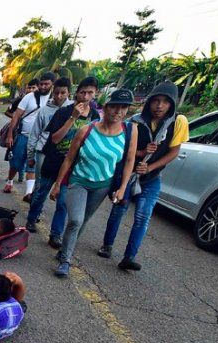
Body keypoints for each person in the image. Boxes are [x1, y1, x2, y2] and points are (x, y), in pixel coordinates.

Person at [99, 82, 189, 271]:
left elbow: (173, 152)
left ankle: (129, 257)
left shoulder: (178, 122)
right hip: (128, 174)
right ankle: (107, 245)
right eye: (156, 101)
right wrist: (141, 153)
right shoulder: (135, 121)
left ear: (172, 104)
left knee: (143, 216)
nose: (159, 106)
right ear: (149, 102)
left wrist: (149, 168)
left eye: (165, 102)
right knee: (118, 210)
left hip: (152, 177)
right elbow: (124, 149)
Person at [51, 88, 137, 278]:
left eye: (124, 108)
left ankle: (65, 249)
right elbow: (69, 158)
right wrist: (57, 185)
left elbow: (130, 160)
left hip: (102, 185)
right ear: (105, 107)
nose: (118, 112)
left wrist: (123, 188)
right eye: (114, 107)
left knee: (83, 221)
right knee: (75, 220)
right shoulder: (86, 130)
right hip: (78, 180)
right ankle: (65, 260)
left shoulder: (130, 131)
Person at [27, 77, 100, 246]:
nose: (86, 97)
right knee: (41, 193)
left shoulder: (95, 117)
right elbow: (55, 139)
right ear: (77, 93)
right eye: (83, 92)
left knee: (63, 202)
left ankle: (55, 234)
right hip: (54, 160)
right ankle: (31, 219)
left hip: (73, 166)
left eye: (90, 93)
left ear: (95, 94)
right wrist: (73, 118)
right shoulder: (63, 112)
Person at [24, 77, 72, 227]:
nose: (59, 96)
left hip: (66, 156)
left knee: (64, 195)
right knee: (41, 187)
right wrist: (30, 156)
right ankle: (33, 217)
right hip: (44, 153)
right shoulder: (45, 110)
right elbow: (34, 134)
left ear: (68, 93)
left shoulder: (74, 110)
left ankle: (56, 232)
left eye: (63, 93)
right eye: (56, 93)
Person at [4, 72, 54, 197]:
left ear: (52, 85)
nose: (43, 87)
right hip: (23, 136)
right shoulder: (29, 97)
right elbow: (16, 116)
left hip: (40, 140)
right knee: (15, 163)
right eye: (41, 84)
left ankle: (28, 193)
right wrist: (10, 135)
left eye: (46, 84)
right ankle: (9, 181)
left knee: (32, 165)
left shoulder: (54, 100)